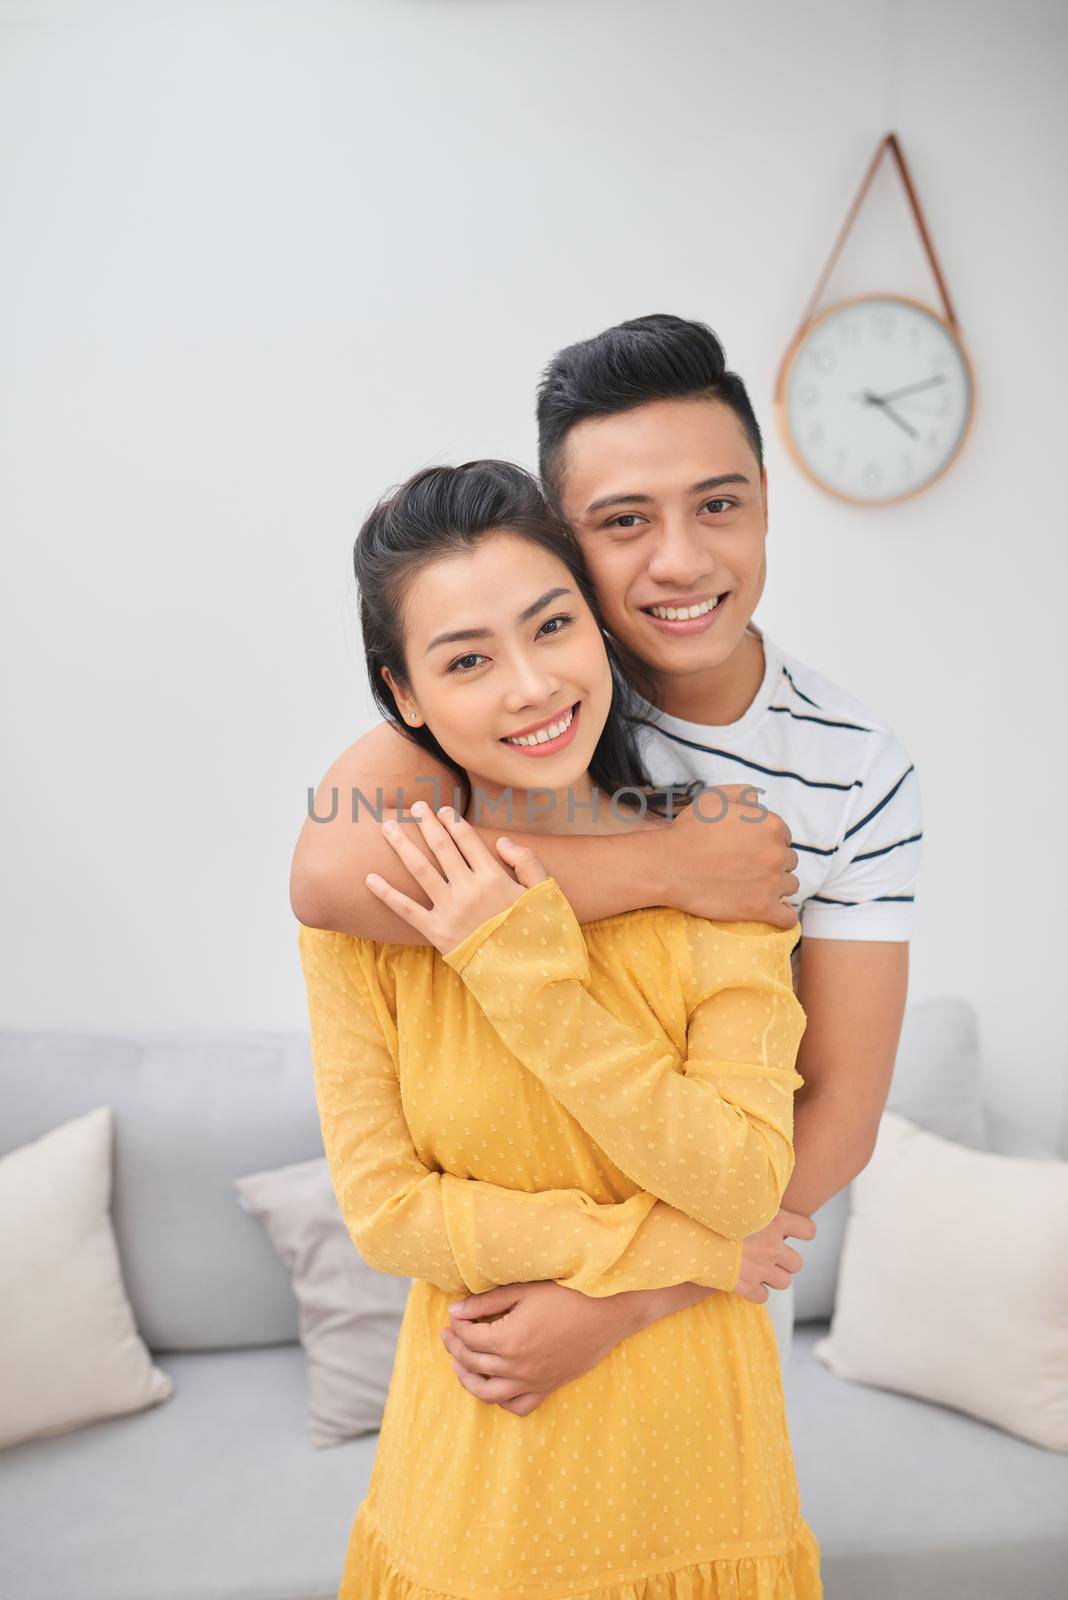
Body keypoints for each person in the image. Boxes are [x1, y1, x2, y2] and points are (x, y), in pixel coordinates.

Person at [291, 313, 922, 1376]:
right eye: (625, 521)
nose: (680, 560)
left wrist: (633, 1296)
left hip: (709, 1292)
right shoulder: (525, 684)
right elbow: (328, 873)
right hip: (508, 1277)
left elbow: (842, 1110)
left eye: (719, 505)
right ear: (568, 543)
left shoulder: (858, 764)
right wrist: (671, 867)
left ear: (767, 505)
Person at [297, 459, 823, 1597]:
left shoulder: (722, 874)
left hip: (702, 1497)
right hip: (477, 1499)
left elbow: (740, 1181)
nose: (532, 686)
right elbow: (388, 1212)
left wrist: (522, 967)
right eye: (469, 660)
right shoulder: (371, 917)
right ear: (405, 696)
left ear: (600, 627)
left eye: (553, 627)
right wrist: (682, 1254)